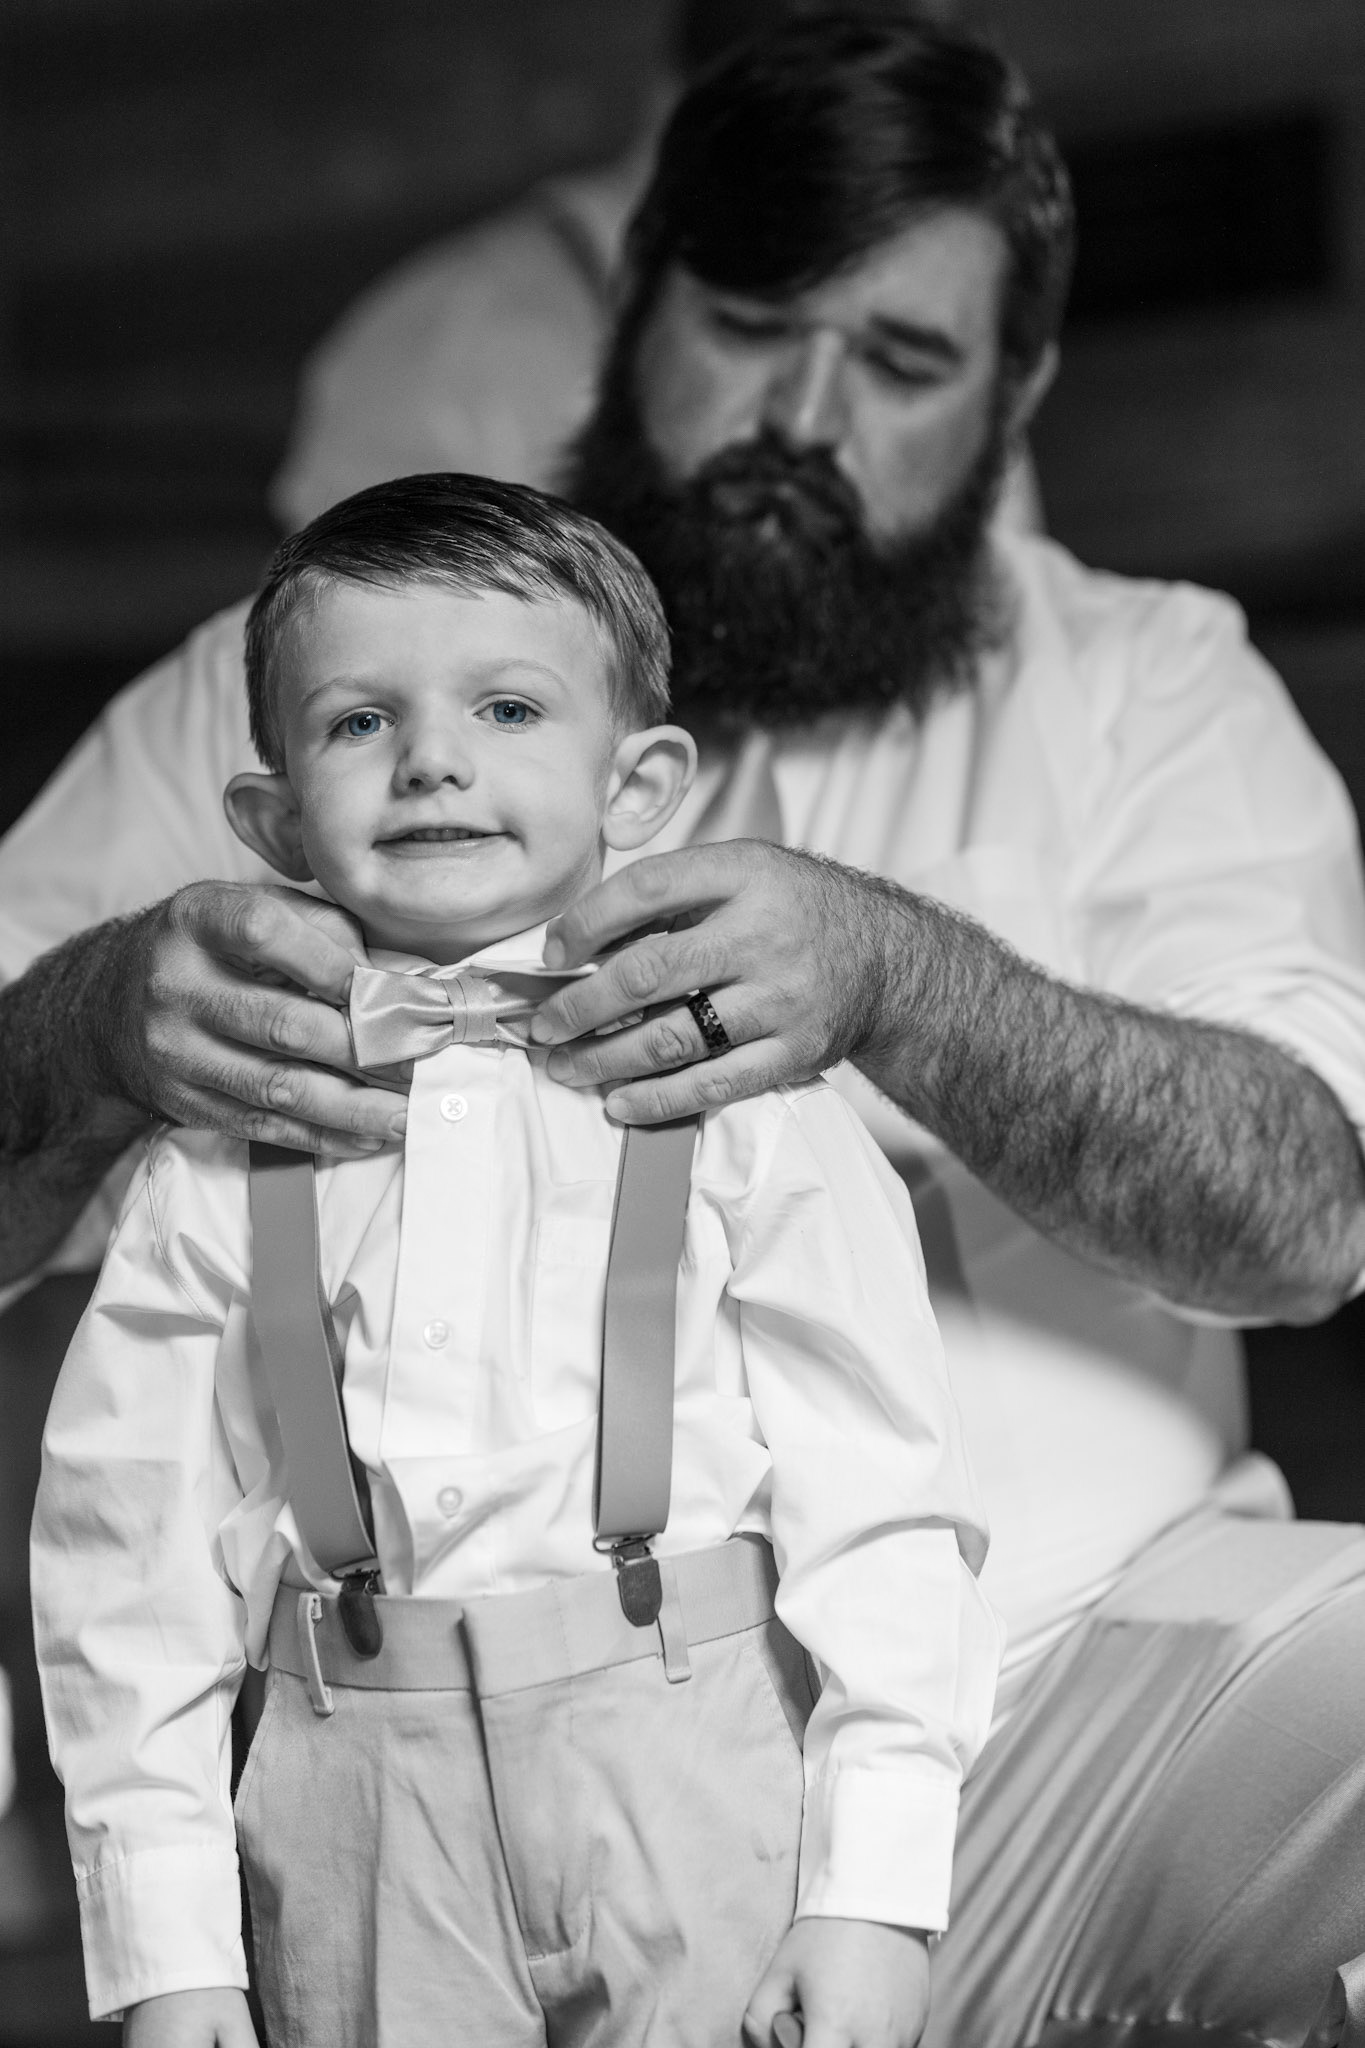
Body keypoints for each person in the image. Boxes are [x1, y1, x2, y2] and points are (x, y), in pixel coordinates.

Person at [8, 15, 1365, 2040]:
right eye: (745, 325)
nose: (800, 416)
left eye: (899, 360)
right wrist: (84, 1031)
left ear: (1014, 391)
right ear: (632, 301)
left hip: (1082, 1707)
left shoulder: (1149, 690)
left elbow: (1307, 1217)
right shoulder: (302, 682)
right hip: (437, 1773)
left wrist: (904, 985)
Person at [31, 473, 999, 2047]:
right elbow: (124, 1559)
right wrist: (170, 1952)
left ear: (639, 783)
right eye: (359, 721)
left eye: (505, 708)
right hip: (353, 1791)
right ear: (275, 821)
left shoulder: (749, 1104)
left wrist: (871, 1892)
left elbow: (883, 1495)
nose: (432, 759)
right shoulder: (212, 1158)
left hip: (693, 1757)